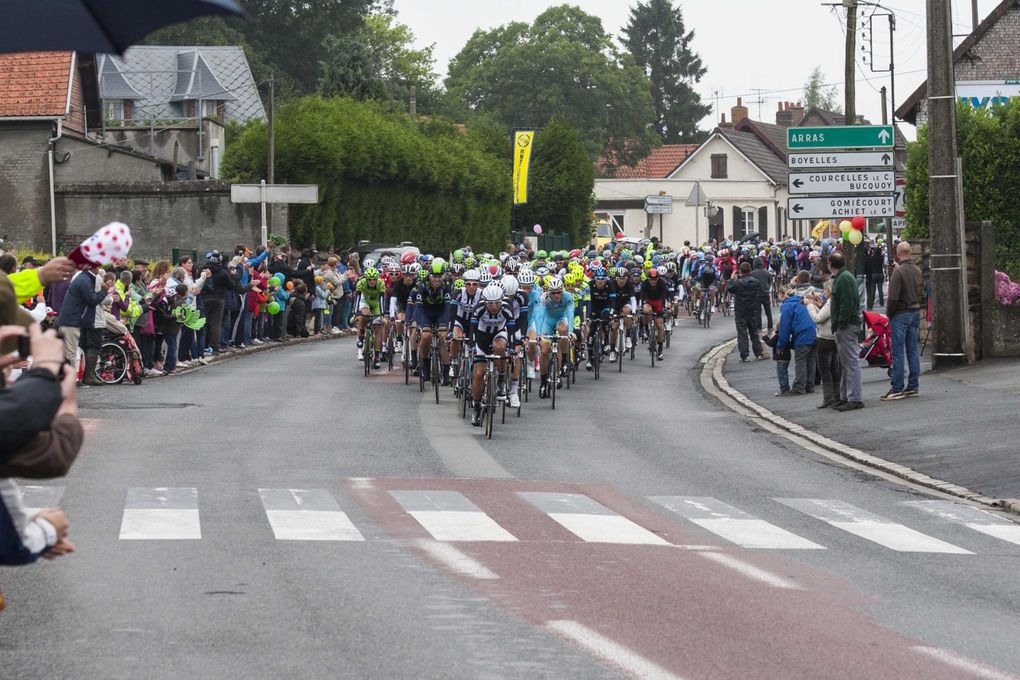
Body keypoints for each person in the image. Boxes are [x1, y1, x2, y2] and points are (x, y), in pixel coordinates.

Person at [56, 263, 111, 385]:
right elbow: (92, 300)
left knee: (71, 351)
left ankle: (70, 378)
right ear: (94, 268)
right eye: (98, 267)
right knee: (70, 352)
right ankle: (69, 380)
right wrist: (104, 291)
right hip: (71, 321)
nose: (99, 269)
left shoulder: (83, 278)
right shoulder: (84, 280)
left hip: (71, 319)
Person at [882, 241, 922, 400]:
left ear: (898, 254)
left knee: (898, 352)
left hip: (900, 313)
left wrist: (888, 313)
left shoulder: (898, 273)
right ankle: (913, 385)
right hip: (914, 311)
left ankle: (897, 387)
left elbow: (893, 297)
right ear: (910, 253)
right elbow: (919, 291)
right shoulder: (917, 270)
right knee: (913, 351)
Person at [828, 252, 864, 411]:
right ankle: (845, 396)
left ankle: (854, 397)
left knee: (850, 362)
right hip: (846, 324)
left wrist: (840, 323)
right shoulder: (844, 277)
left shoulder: (843, 279)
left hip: (847, 325)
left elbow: (846, 304)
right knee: (844, 363)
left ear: (830, 264)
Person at [775, 274, 817, 395]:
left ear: (784, 295)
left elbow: (785, 327)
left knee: (801, 360)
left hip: (802, 335)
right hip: (813, 332)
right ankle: (810, 385)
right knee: (811, 360)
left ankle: (799, 387)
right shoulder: (800, 302)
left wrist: (781, 346)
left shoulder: (787, 306)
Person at [804, 281, 840, 408]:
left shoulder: (830, 303)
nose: (824, 293)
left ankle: (828, 397)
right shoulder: (834, 302)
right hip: (834, 338)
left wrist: (809, 306)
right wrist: (819, 305)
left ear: (829, 291)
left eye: (825, 290)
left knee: (826, 370)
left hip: (825, 339)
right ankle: (837, 396)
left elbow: (818, 319)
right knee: (835, 369)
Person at [729, 262, 765, 361]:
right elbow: (760, 292)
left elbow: (729, 288)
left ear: (740, 271)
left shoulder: (738, 283)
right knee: (754, 332)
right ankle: (758, 353)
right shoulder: (756, 282)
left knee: (742, 333)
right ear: (750, 270)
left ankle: (745, 355)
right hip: (752, 309)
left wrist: (732, 278)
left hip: (740, 310)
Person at [864, 239, 886, 310]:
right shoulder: (882, 257)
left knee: (873, 290)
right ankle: (882, 302)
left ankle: (871, 302)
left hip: (874, 274)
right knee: (880, 289)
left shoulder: (872, 258)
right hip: (880, 274)